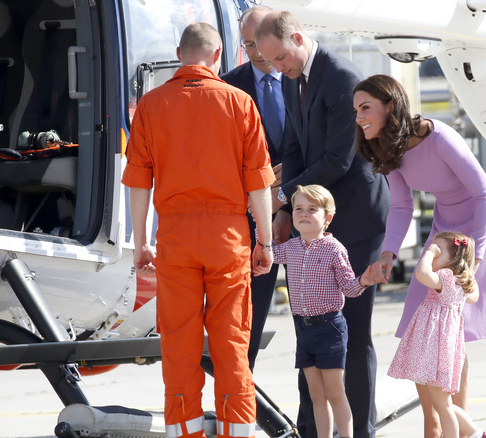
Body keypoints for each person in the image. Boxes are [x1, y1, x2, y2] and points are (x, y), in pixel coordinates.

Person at [355, 74, 486, 438]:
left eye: (365, 108)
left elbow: (485, 195)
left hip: (479, 226)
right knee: (421, 323)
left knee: (449, 327)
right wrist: (388, 251)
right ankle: (440, 425)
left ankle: (451, 424)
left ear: (390, 107)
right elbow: (403, 205)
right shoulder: (389, 147)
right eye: (356, 109)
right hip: (446, 226)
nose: (358, 117)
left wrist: (477, 257)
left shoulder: (439, 137)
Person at [121, 22, 275, 438]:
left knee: (179, 346)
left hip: (175, 237)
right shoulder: (240, 103)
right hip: (229, 237)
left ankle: (185, 433)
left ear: (179, 53)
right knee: (231, 346)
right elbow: (258, 182)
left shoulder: (151, 106)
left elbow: (138, 183)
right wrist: (265, 240)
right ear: (219, 54)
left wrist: (141, 243)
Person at [255, 11, 390, 438]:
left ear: (296, 37)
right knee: (312, 330)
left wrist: (279, 196)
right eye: (271, 62)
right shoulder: (296, 76)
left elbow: (337, 159)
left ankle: (360, 431)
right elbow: (293, 146)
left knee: (352, 332)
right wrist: (283, 211)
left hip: (353, 217)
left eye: (279, 58)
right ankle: (314, 430)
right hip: (312, 217)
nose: (276, 68)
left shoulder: (340, 77)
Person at [272, 184, 380, 438]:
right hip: (304, 328)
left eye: (312, 209)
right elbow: (265, 255)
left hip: (329, 328)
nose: (303, 214)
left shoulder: (334, 249)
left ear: (327, 218)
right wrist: (260, 227)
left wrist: (364, 280)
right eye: (298, 209)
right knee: (316, 394)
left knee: (335, 393)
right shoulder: (290, 248)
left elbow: (350, 289)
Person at [221, 5, 285, 371]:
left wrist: (287, 181)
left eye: (262, 43)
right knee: (249, 314)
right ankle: (242, 392)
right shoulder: (228, 86)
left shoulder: (301, 79)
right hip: (252, 216)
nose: (258, 54)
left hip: (306, 209)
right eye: (248, 45)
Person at [386, 232, 486, 438]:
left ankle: (468, 435)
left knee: (442, 404)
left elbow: (422, 274)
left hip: (434, 348)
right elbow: (474, 297)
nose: (434, 254)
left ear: (453, 259)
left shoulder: (445, 277)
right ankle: (477, 434)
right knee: (442, 402)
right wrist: (467, 269)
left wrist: (428, 253)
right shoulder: (462, 283)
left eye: (439, 251)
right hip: (443, 348)